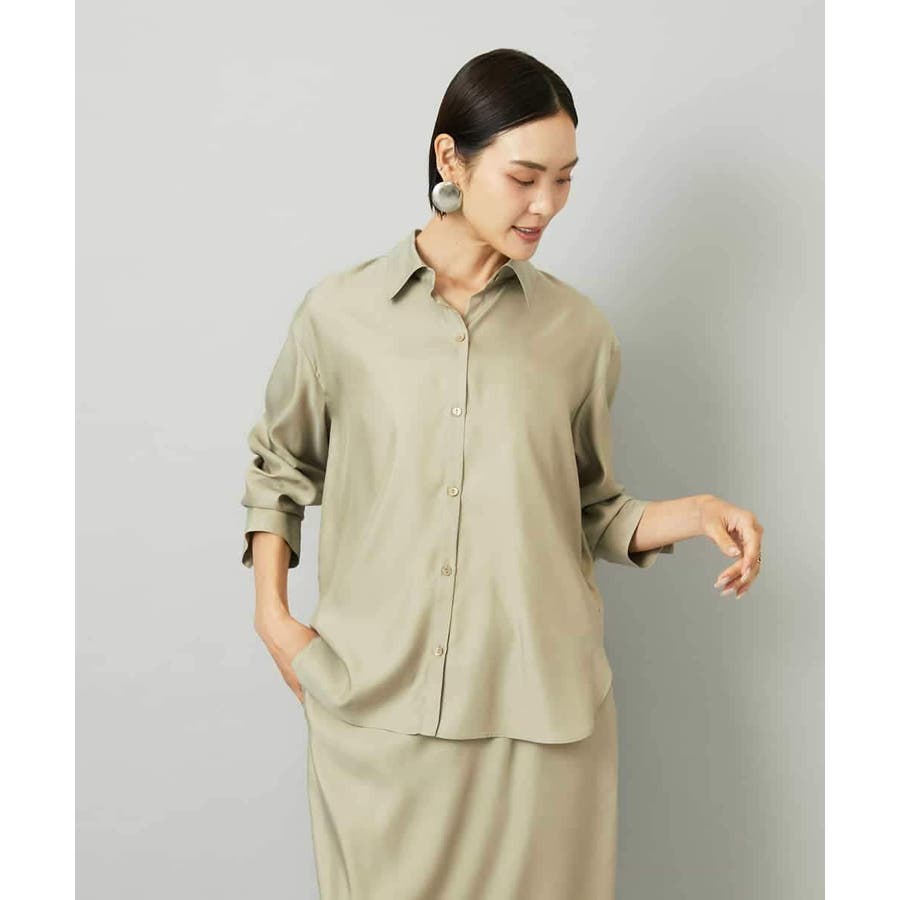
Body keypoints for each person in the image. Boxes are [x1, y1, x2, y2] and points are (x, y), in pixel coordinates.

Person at [240, 47, 763, 900]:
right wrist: (274, 617)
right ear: (451, 159)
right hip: (378, 710)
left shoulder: (577, 333)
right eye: (525, 177)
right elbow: (281, 465)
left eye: (565, 179)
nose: (546, 204)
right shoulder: (339, 315)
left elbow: (587, 507)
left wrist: (699, 510)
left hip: (539, 721)